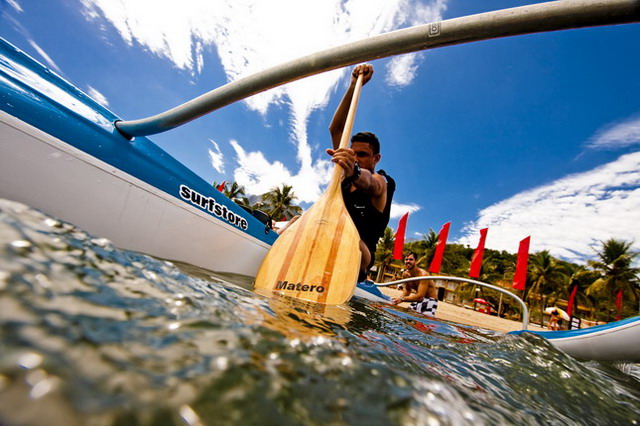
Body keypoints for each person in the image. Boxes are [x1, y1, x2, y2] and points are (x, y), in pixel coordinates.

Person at [327, 64, 395, 281]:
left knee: (348, 239)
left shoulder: (381, 182)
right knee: (297, 220)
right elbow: (336, 129)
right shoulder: (345, 178)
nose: (355, 158)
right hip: (328, 238)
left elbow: (371, 183)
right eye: (352, 153)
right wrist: (353, 86)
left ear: (376, 159)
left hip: (360, 255)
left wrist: (354, 170)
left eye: (363, 155)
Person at [392, 252, 438, 317]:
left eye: (411, 259)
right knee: (406, 316)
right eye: (406, 259)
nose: (408, 261)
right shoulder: (405, 274)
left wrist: (402, 299)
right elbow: (407, 290)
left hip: (429, 300)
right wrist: (398, 300)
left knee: (424, 321)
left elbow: (420, 297)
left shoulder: (423, 275)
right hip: (417, 298)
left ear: (416, 261)